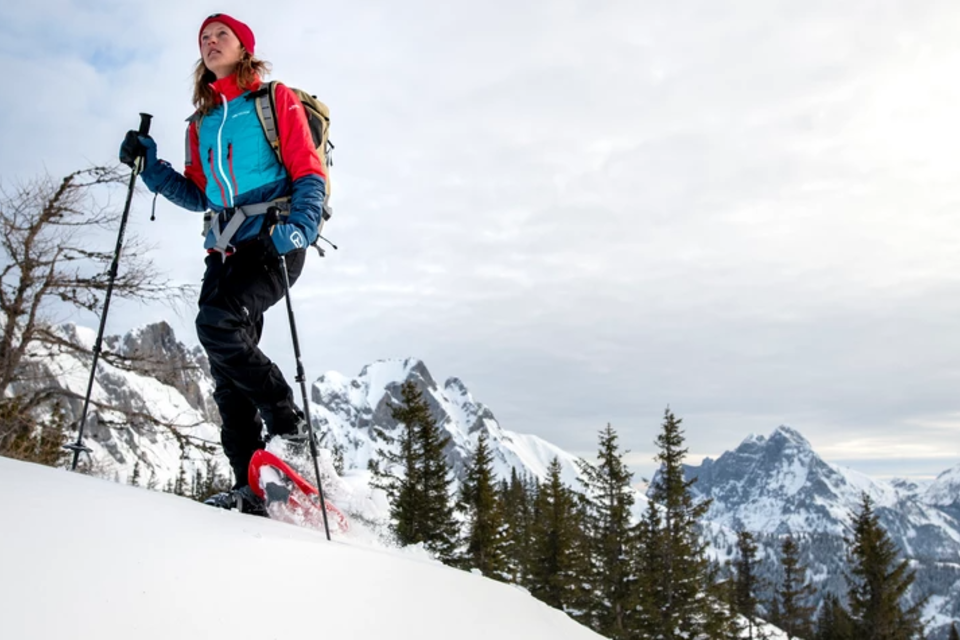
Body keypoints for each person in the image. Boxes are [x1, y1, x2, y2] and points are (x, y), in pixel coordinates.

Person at [119, 13, 326, 514]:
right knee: (225, 368)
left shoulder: (273, 101)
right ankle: (252, 486)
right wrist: (151, 168)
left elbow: (307, 168)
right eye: (204, 38)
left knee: (218, 322)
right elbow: (197, 194)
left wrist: (303, 222)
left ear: (243, 47)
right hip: (225, 248)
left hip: (276, 239)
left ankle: (289, 429)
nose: (211, 43)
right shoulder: (202, 122)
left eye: (221, 36)